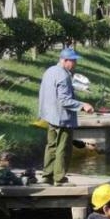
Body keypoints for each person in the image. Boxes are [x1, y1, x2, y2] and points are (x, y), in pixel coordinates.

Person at [38, 48, 94, 187]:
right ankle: (60, 179)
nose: (75, 63)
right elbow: (64, 100)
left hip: (49, 116)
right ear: (64, 60)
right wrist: (83, 105)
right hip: (62, 118)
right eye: (73, 60)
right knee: (63, 148)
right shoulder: (63, 75)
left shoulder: (50, 71)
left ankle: (47, 176)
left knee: (51, 146)